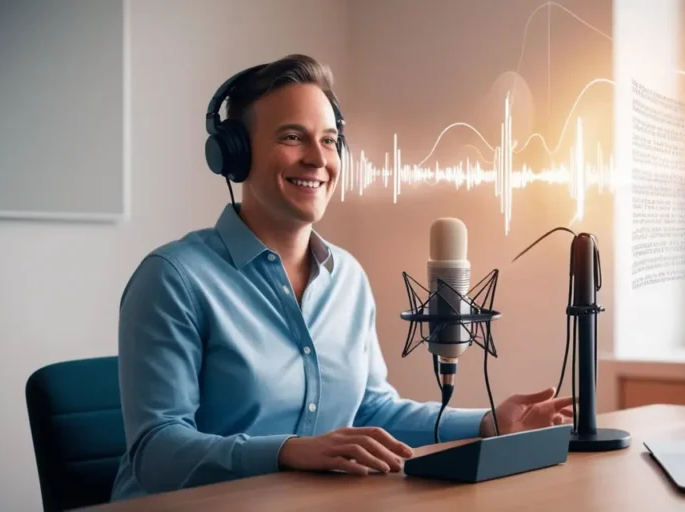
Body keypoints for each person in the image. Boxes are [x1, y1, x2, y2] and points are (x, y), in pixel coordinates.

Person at [110, 54, 574, 501]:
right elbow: (156, 452)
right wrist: (290, 451)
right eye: (293, 137)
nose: (318, 159)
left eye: (330, 140)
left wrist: (485, 425)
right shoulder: (174, 279)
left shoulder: (347, 278)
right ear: (235, 154)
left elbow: (371, 411)